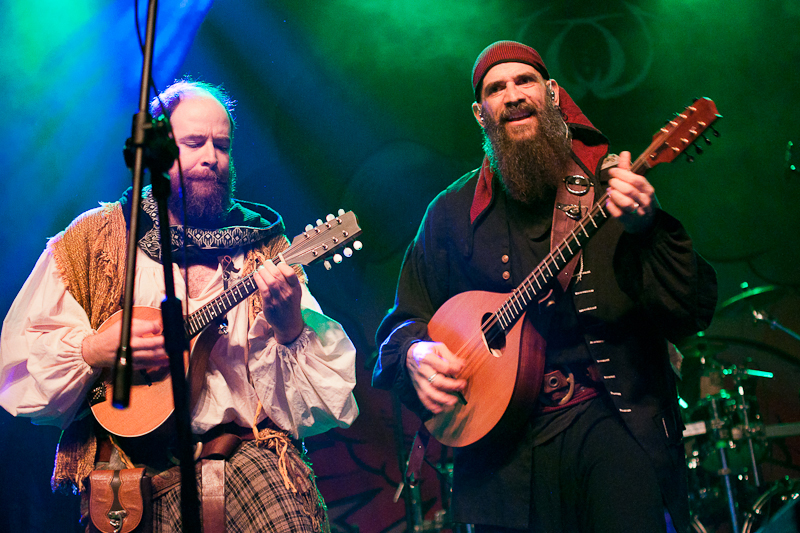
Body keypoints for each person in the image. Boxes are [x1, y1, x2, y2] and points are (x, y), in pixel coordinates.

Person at [373, 41, 717, 533]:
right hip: (499, 462)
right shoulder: (449, 215)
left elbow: (691, 309)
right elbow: (403, 320)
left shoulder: (609, 190)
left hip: (611, 425)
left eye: (524, 81)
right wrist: (415, 353)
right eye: (496, 89)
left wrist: (650, 227)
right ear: (480, 112)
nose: (512, 95)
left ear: (552, 93)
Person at [0, 79, 358, 532]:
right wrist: (92, 350)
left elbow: (327, 402)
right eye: (194, 143)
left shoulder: (263, 250)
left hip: (243, 461)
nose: (211, 156)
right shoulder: (96, 238)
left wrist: (289, 328)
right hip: (126, 482)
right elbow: (17, 365)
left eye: (222, 145)